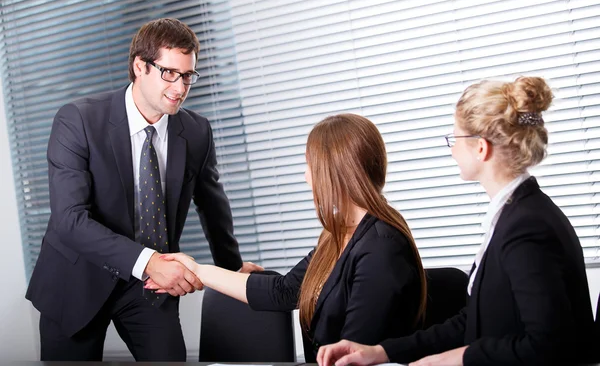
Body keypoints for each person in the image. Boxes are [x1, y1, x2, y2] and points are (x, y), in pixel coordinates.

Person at [25, 18, 262, 361]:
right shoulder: (78, 120)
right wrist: (148, 261)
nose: (180, 88)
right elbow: (69, 220)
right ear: (140, 66)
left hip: (150, 287)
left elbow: (213, 207)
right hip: (78, 277)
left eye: (187, 76)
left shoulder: (196, 131)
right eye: (169, 73)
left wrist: (232, 269)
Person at [317, 77, 597, 366]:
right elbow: (475, 321)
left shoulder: (527, 227)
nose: (452, 149)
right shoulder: (515, 215)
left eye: (455, 139)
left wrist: (457, 358)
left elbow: (549, 345)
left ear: (480, 148)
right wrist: (382, 352)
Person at [148, 113, 428, 362]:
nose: (307, 177)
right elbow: (283, 291)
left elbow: (352, 354)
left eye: (311, 166)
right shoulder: (338, 234)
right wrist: (197, 270)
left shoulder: (381, 247)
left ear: (336, 173)